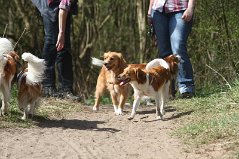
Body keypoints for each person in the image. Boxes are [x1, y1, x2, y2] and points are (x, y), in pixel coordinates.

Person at [31, 0, 80, 101]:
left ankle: (66, 90)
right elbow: (63, 7)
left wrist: (62, 35)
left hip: (60, 6)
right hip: (49, 6)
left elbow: (65, 7)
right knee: (52, 42)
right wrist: (61, 33)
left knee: (64, 46)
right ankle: (47, 87)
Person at [148, 0, 196, 98]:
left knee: (178, 48)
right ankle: (168, 90)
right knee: (164, 53)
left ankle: (186, 88)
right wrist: (150, 12)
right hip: (158, 11)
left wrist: (190, 7)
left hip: (180, 9)